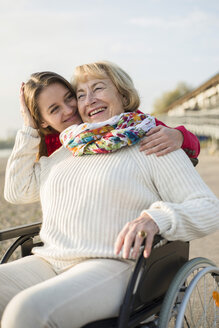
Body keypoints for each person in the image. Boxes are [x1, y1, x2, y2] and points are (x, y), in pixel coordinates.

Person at [2, 62, 218, 328]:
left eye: (98, 88)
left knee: (27, 311)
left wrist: (156, 218)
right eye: (81, 94)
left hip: (113, 264)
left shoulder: (151, 140)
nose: (87, 101)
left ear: (122, 95)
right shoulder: (63, 151)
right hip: (49, 260)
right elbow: (17, 191)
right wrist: (28, 126)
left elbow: (208, 208)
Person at [20, 73, 200, 159]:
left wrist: (179, 136)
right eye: (54, 109)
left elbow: (192, 144)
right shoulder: (51, 149)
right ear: (42, 121)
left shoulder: (124, 123)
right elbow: (18, 192)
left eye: (70, 98)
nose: (68, 110)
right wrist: (29, 126)